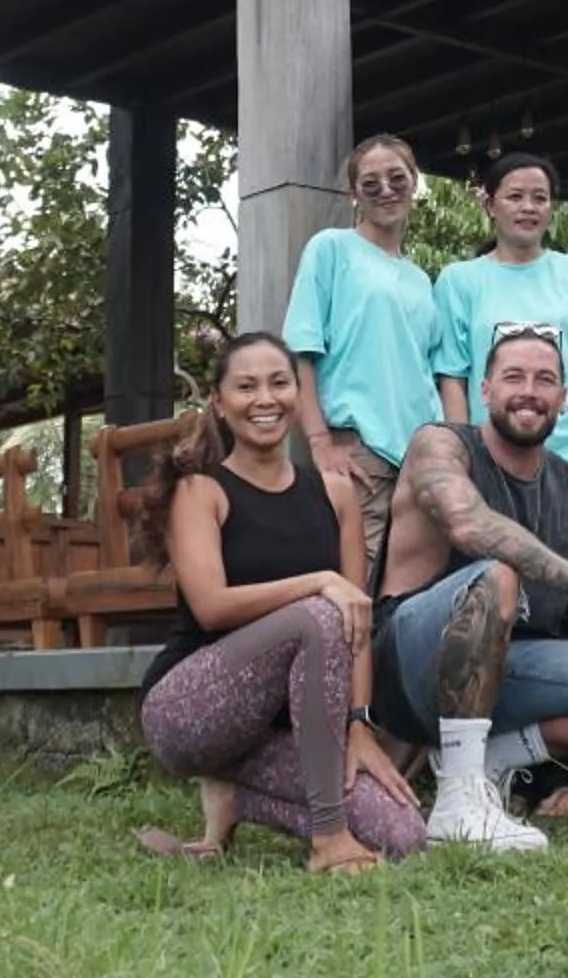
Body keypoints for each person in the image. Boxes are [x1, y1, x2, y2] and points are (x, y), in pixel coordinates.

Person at [374, 326, 568, 849]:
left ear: (563, 399)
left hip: (510, 671)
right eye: (513, 377)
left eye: (545, 380)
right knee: (496, 575)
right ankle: (458, 799)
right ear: (485, 390)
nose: (529, 391)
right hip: (406, 668)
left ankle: (493, 758)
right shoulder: (440, 445)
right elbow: (469, 525)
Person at [134, 334, 429, 872]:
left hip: (274, 733)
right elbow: (211, 608)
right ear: (220, 405)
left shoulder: (336, 494)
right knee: (320, 613)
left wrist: (359, 726)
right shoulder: (201, 491)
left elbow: (357, 621)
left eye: (279, 383)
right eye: (246, 387)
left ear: (298, 394)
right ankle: (328, 839)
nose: (265, 399)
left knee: (403, 833)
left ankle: (234, 798)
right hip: (189, 710)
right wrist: (318, 582)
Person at [431, 151, 568, 512]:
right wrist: (461, 460)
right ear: (489, 204)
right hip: (495, 458)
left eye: (540, 197)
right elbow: (454, 379)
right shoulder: (459, 281)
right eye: (515, 197)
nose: (528, 207)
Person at [283, 133, 438, 590]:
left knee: (411, 588)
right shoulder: (331, 249)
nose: (386, 190)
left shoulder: (421, 279)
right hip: (359, 449)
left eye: (397, 178)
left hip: (419, 454)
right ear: (354, 194)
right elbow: (301, 352)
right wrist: (319, 441)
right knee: (357, 581)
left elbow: (427, 371)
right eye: (371, 184)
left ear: (414, 183)